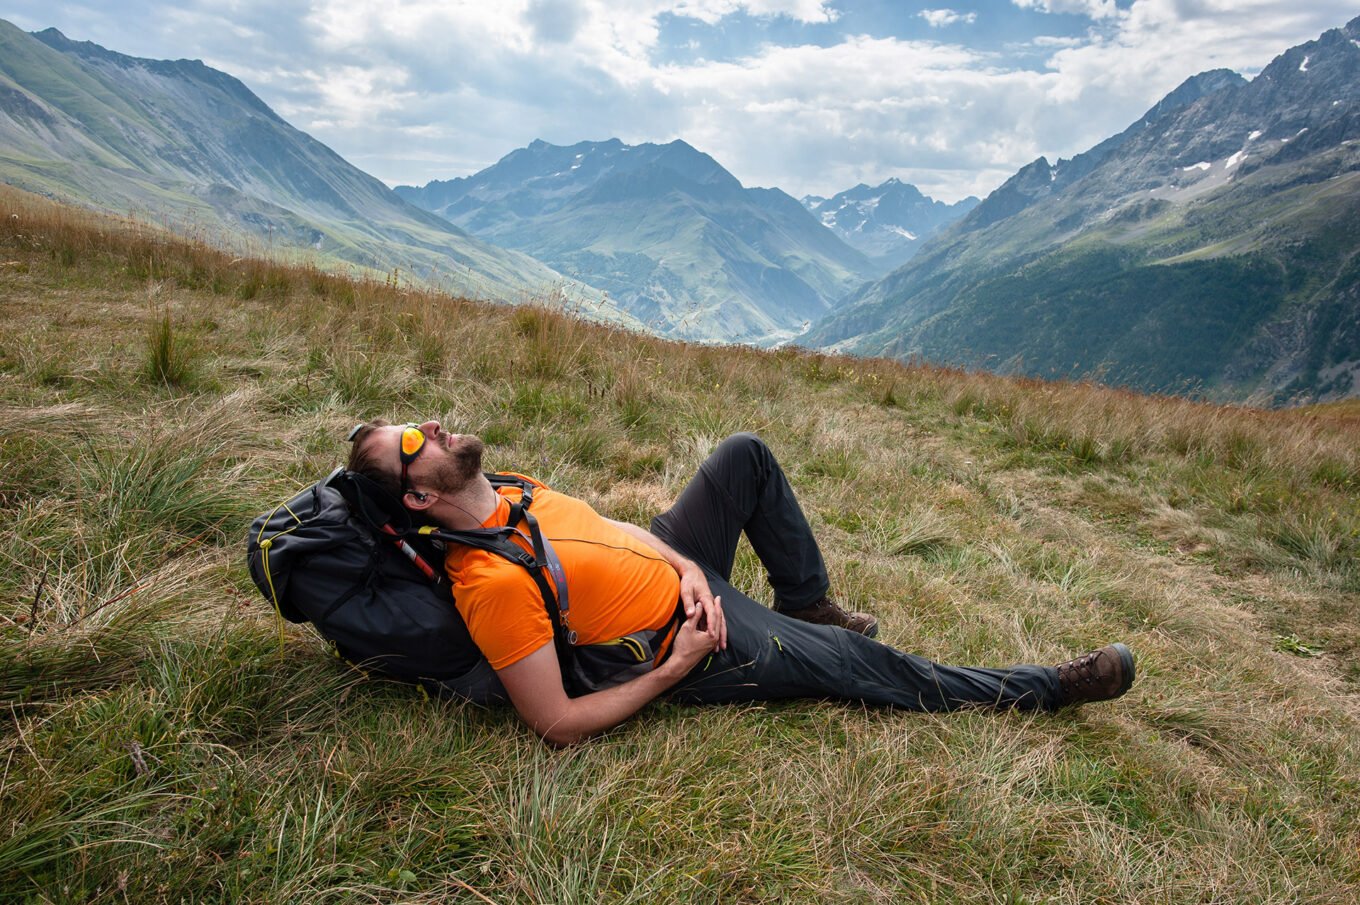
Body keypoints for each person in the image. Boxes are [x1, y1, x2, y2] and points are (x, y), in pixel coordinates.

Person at [346, 421, 1136, 746]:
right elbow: (554, 721)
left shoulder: (509, 489)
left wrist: (687, 564)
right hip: (697, 639)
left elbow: (608, 530)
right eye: (413, 440)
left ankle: (806, 598)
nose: (434, 425)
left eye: (417, 418)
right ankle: (1048, 686)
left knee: (744, 455)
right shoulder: (488, 582)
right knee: (864, 666)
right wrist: (678, 663)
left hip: (680, 573)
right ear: (418, 496)